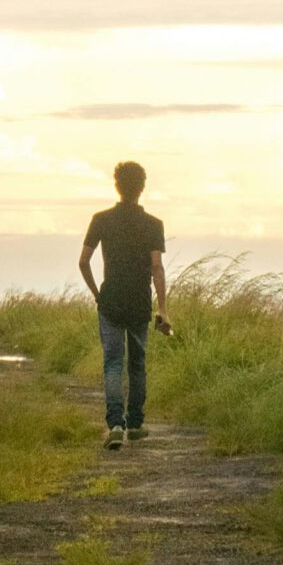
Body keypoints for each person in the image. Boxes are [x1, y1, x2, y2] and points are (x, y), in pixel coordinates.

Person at [78, 160, 170, 450]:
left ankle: (115, 424)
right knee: (138, 365)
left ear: (116, 185)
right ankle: (136, 424)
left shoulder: (101, 219)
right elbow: (157, 268)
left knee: (113, 364)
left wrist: (97, 293)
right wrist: (163, 310)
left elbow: (83, 261)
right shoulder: (153, 224)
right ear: (142, 188)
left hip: (111, 300)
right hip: (139, 302)